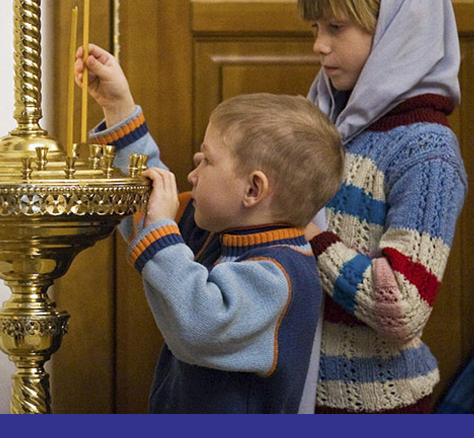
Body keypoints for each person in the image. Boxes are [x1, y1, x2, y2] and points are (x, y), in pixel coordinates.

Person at [75, 43, 344, 413]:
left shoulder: (280, 277)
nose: (192, 174)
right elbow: (148, 199)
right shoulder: (218, 229)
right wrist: (118, 107)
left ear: (253, 190)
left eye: (206, 161)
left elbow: (199, 325)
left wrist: (162, 233)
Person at [297, 0, 468, 413]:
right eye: (315, 28)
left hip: (376, 408)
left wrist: (308, 234)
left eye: (336, 27)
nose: (319, 46)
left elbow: (405, 305)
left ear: (398, 29)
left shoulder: (426, 151)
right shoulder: (322, 121)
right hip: (297, 396)